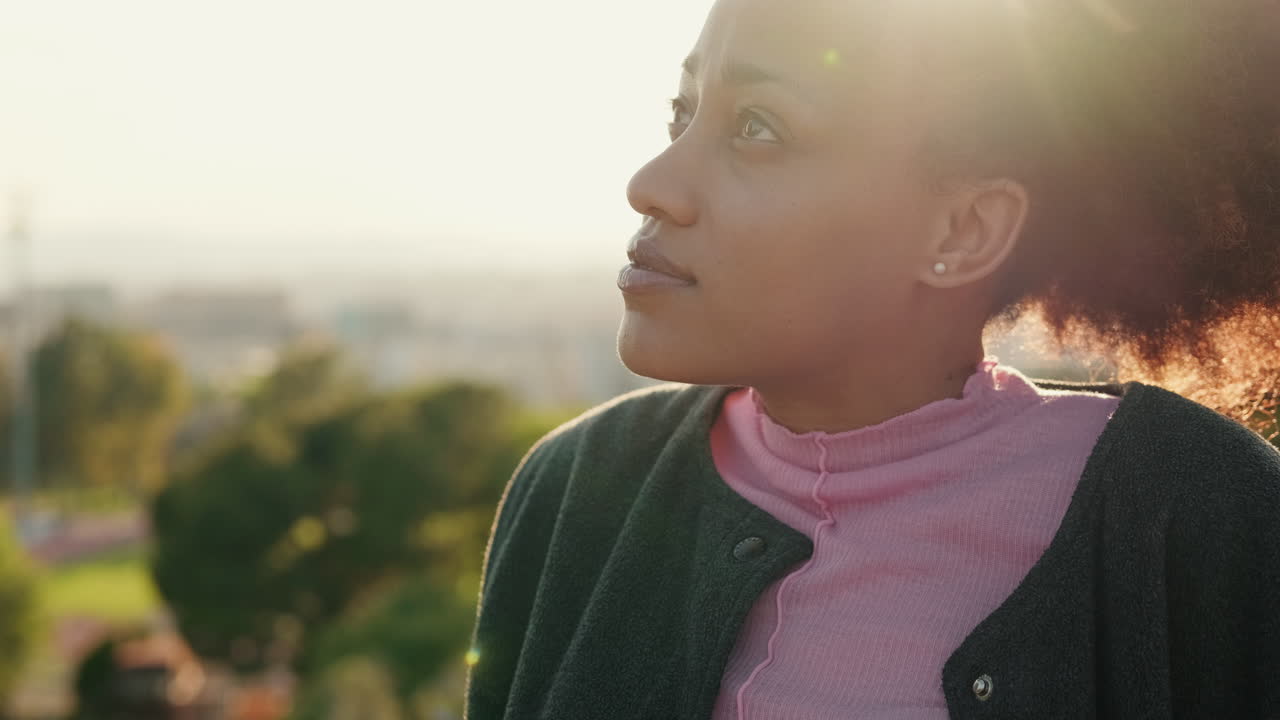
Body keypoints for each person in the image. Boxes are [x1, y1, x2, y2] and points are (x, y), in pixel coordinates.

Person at [465, 0, 1280, 717]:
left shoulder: (1204, 518)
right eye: (683, 115)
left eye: (759, 127)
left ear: (961, 231)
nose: (653, 182)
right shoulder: (579, 487)